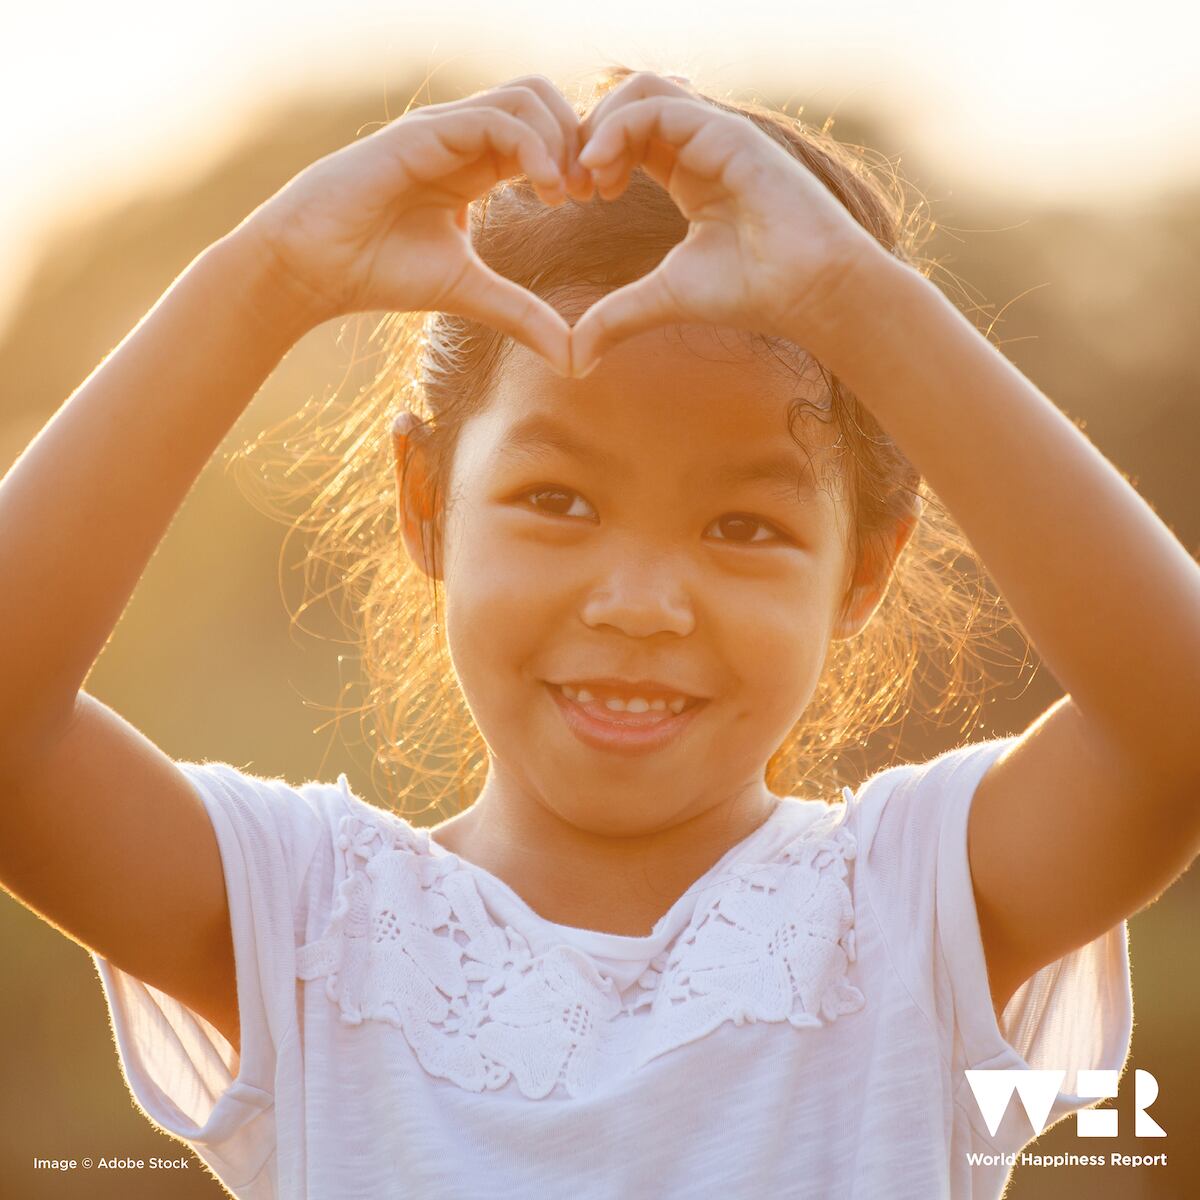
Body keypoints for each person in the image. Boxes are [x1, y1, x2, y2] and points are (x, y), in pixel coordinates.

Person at [0, 65, 1195, 1200]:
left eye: (743, 524)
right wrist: (268, 275)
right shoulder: (310, 921)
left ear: (864, 570)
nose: (639, 603)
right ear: (426, 502)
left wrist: (853, 299)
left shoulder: (915, 907)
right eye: (557, 501)